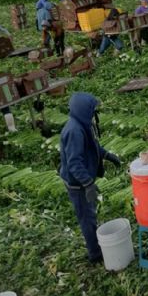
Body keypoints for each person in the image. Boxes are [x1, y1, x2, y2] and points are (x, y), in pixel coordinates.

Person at [59, 92, 122, 264]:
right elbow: (74, 163)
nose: (95, 113)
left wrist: (107, 155)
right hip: (76, 184)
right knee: (87, 218)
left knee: (90, 214)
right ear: (84, 111)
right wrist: (87, 184)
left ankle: (96, 245)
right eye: (92, 110)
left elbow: (92, 147)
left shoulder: (83, 124)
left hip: (82, 180)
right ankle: (95, 254)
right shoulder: (74, 131)